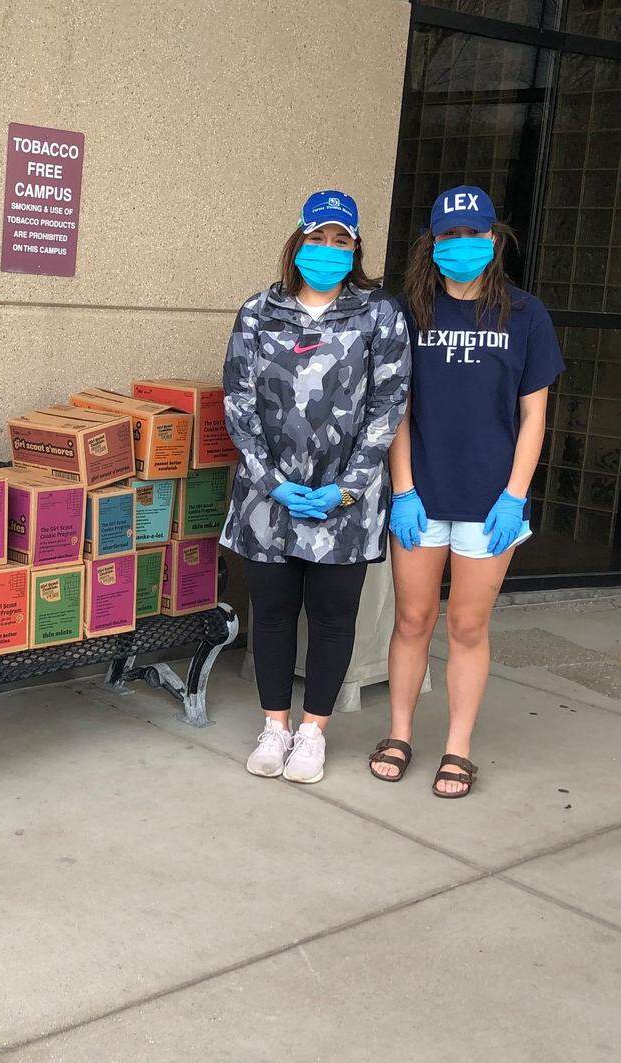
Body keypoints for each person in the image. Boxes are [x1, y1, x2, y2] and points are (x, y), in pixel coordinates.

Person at [373, 186, 564, 798]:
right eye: (449, 236)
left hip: (490, 503)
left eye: (474, 234)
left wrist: (515, 495)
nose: (462, 246)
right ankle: (399, 732)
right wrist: (403, 489)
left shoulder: (526, 316)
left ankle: (458, 746)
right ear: (433, 243)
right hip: (422, 496)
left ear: (494, 239)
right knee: (411, 619)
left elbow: (534, 416)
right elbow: (396, 409)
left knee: (468, 626)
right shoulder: (409, 312)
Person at [222, 190, 411, 784]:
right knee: (273, 614)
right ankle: (275, 726)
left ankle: (312, 733)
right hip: (267, 503)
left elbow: (390, 402)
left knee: (333, 619)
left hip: (344, 506)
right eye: (318, 238)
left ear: (355, 248)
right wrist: (269, 481)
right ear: (298, 242)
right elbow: (238, 400)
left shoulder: (379, 314)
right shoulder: (258, 312)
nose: (327, 250)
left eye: (341, 240)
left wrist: (349, 487)